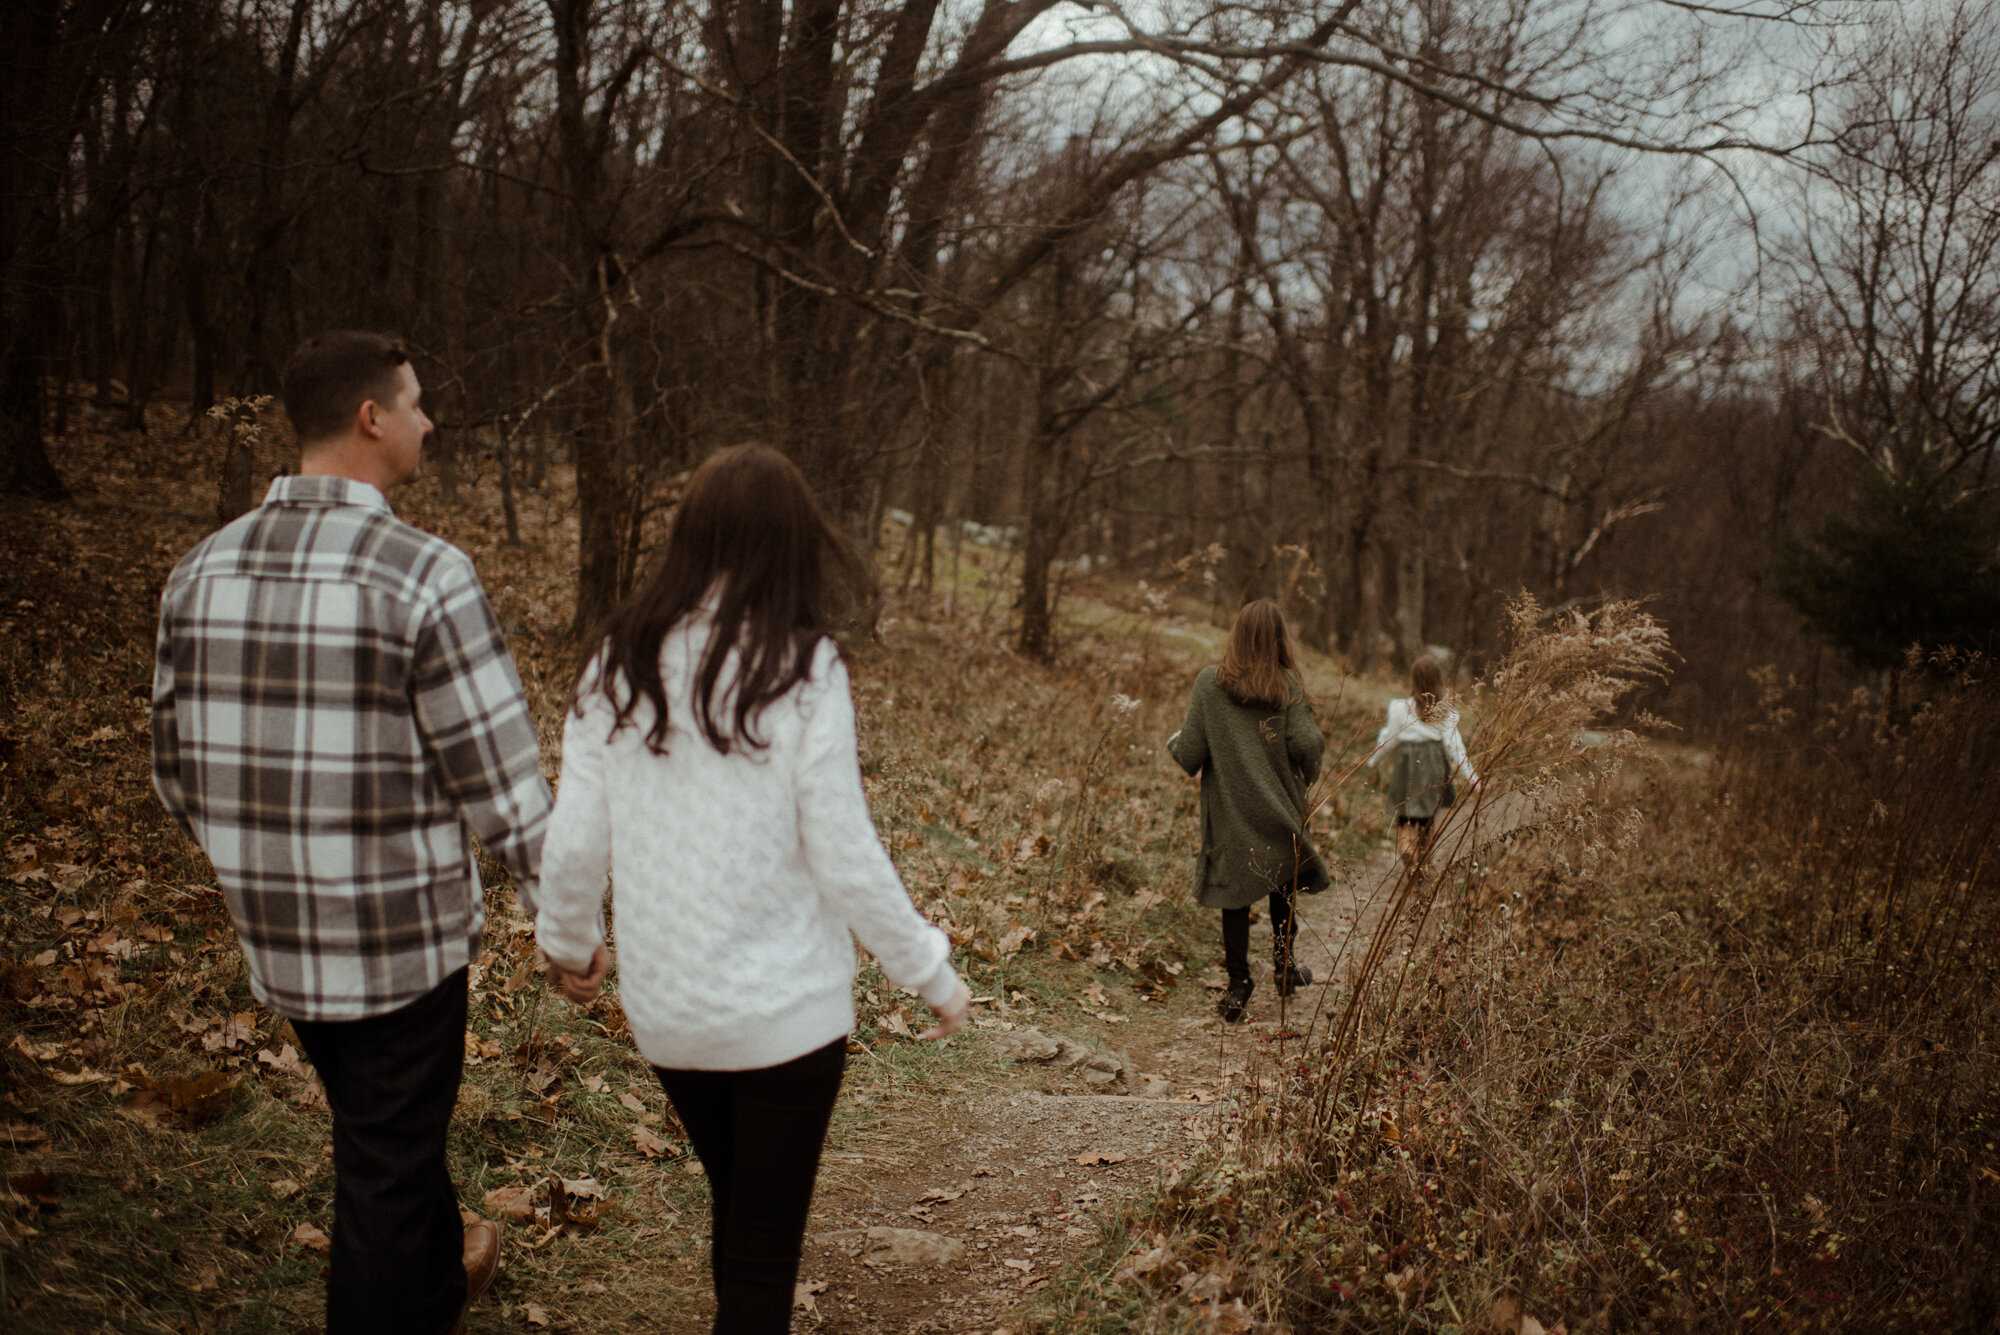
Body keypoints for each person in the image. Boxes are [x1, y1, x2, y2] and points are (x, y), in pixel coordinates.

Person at [151, 331, 553, 1335]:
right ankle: (400, 1294)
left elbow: (174, 771)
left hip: (278, 942)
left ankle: (439, 1278)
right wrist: (562, 909)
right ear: (370, 419)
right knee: (378, 1168)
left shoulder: (201, 571)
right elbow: (501, 787)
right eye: (416, 403)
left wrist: (261, 865)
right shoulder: (423, 575)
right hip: (398, 950)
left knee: (383, 1132)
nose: (429, 421)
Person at [535, 442, 970, 1335]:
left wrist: (566, 943)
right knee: (764, 1244)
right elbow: (845, 850)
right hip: (786, 1020)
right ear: (792, 544)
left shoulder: (616, 660)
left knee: (739, 1213)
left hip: (668, 1013)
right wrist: (929, 969)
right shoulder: (802, 668)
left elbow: (575, 835)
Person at [1168, 599, 1329, 1023]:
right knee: (1283, 887)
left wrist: (1175, 740)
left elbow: (1189, 755)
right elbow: (1308, 746)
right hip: (1279, 809)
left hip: (1231, 814)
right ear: (1280, 640)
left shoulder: (1209, 684)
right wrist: (1305, 777)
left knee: (1233, 899)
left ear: (1236, 636)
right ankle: (1284, 969)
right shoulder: (1287, 686)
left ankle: (1239, 986)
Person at [1367, 653, 1480, 870]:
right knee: (1427, 819)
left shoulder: (1400, 708)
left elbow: (1389, 740)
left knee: (1406, 817)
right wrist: (1473, 779)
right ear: (1438, 681)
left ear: (1414, 680)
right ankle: (1424, 860)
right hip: (1433, 768)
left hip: (1407, 766)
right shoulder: (1445, 713)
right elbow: (1455, 748)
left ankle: (1407, 849)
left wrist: (1374, 761)